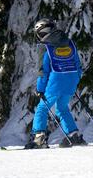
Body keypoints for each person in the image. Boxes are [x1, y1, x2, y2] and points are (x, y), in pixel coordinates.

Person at [25, 19, 86, 149]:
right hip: (71, 80)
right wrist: (74, 80)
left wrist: (40, 88)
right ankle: (73, 135)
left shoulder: (44, 47)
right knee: (62, 108)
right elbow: (77, 64)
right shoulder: (69, 43)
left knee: (42, 108)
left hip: (55, 82)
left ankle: (38, 137)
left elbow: (43, 71)